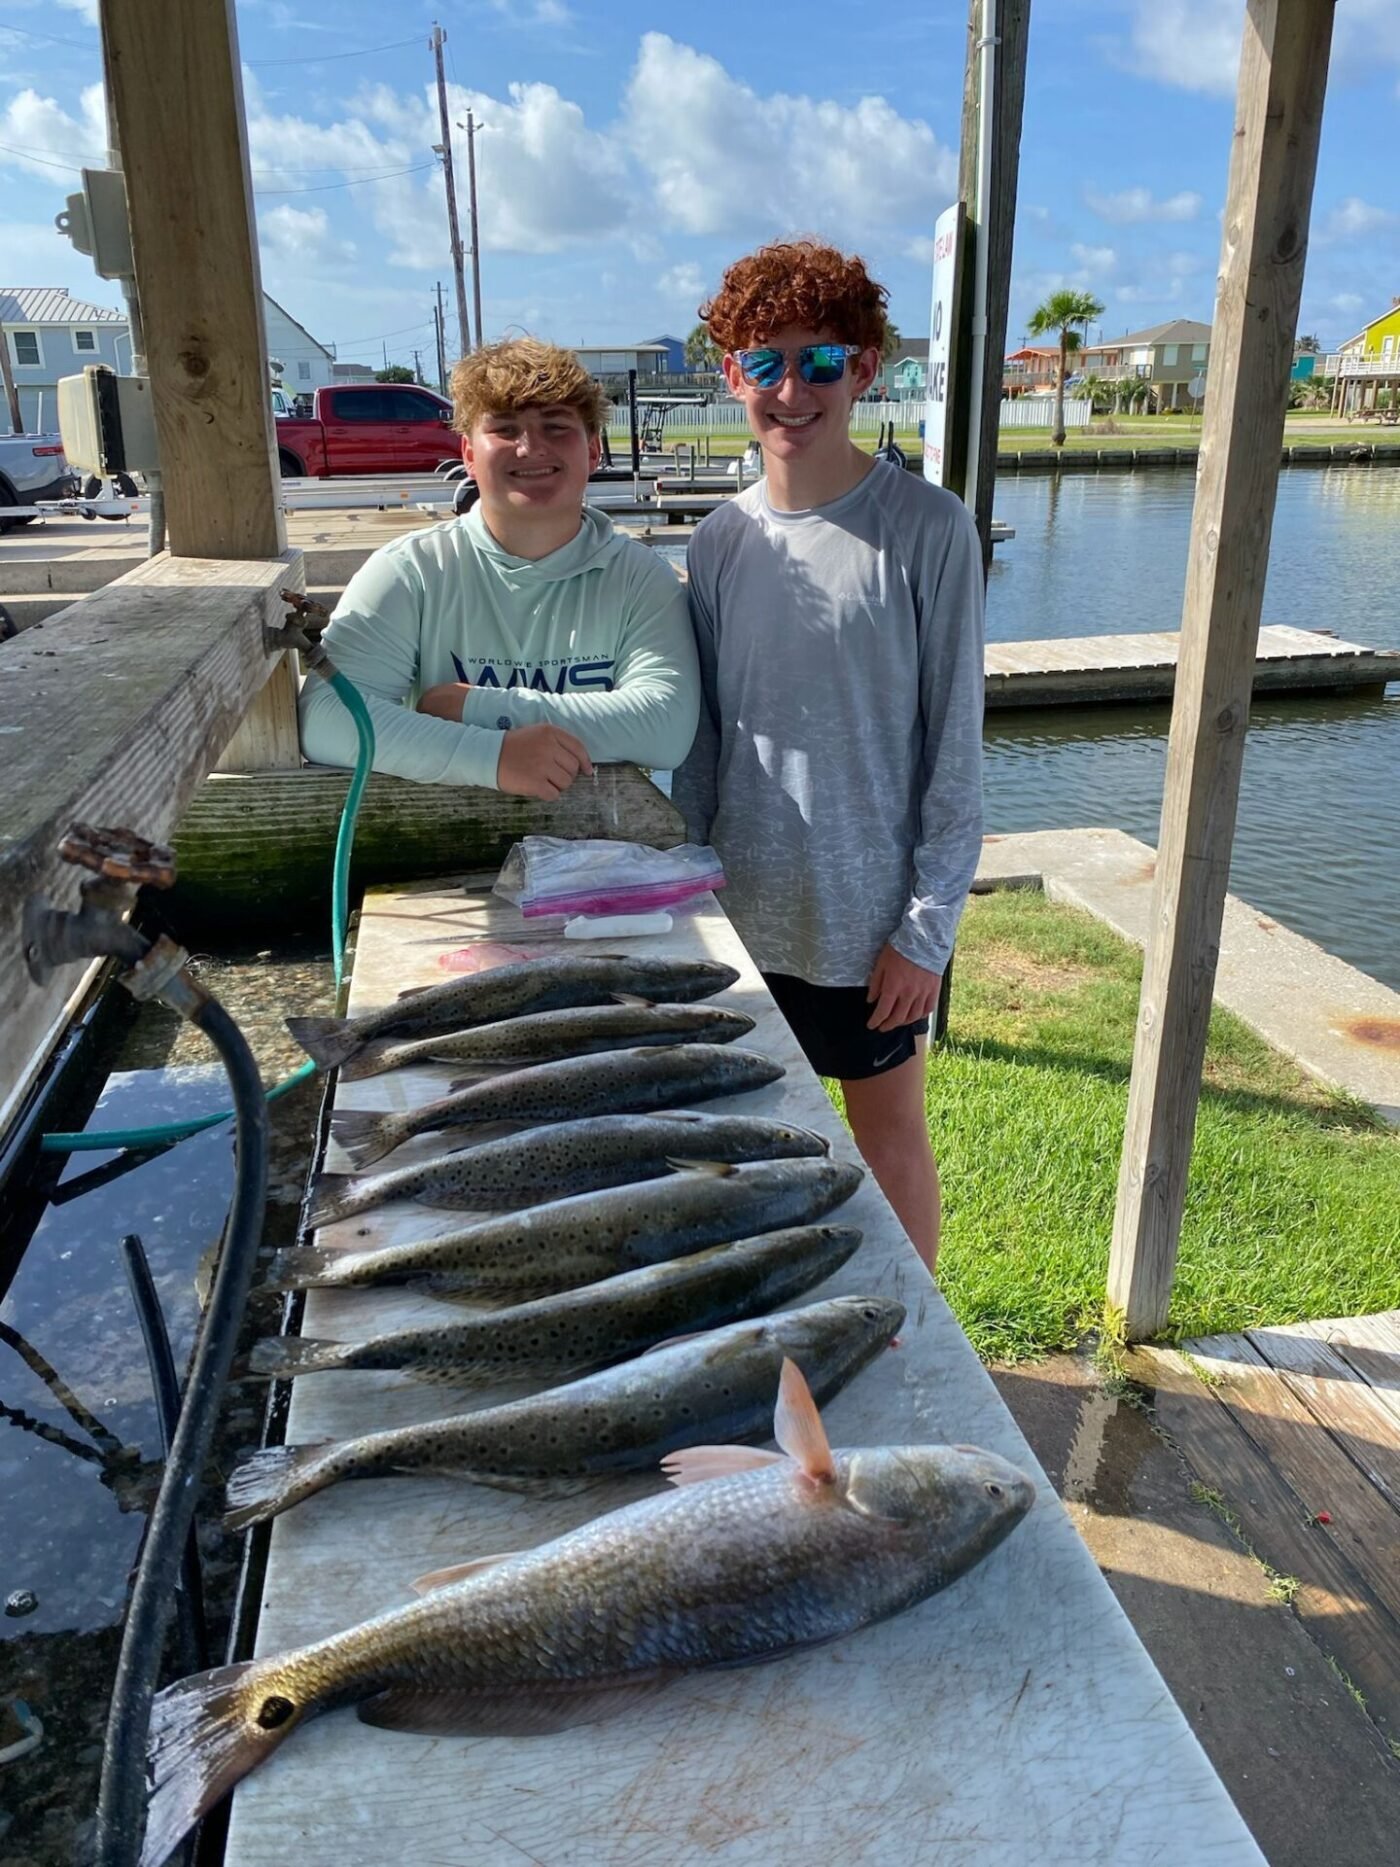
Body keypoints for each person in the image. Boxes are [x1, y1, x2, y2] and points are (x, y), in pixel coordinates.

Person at [673, 240, 985, 1270]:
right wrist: (683, 902)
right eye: (765, 363)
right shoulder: (717, 541)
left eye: (820, 361)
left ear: (865, 368)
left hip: (870, 929)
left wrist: (925, 931)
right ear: (731, 376)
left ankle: (910, 1330)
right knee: (749, 1145)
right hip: (741, 914)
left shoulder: (927, 528)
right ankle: (777, 1323)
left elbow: (954, 750)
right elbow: (704, 742)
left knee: (887, 1137)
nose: (791, 389)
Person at [299, 338, 700, 800]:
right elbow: (326, 717)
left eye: (556, 427)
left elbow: (667, 728)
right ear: (468, 454)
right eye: (506, 429)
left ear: (592, 451)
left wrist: (470, 707)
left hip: (603, 851)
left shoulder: (639, 577)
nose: (531, 448)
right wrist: (495, 756)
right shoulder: (412, 571)